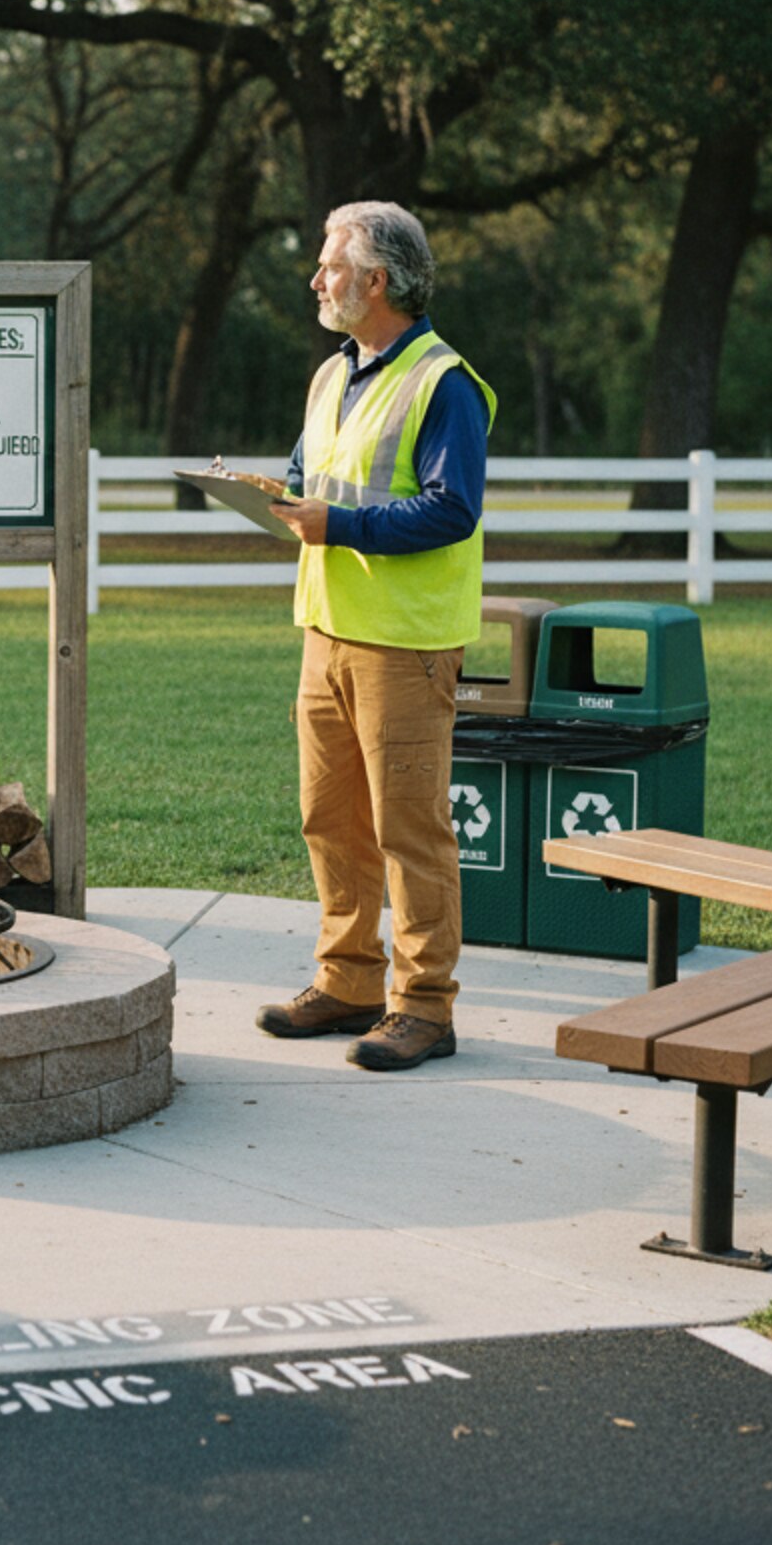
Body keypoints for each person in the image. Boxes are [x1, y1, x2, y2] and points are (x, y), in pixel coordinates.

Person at [256, 200, 495, 1071]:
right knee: (331, 821)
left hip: (405, 644)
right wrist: (272, 497)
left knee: (409, 830)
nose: (316, 280)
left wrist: (340, 524)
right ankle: (348, 981)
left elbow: (452, 508)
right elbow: (306, 474)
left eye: (329, 266)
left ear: (377, 280)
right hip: (326, 630)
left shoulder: (445, 383)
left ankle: (424, 1008)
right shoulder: (332, 374)